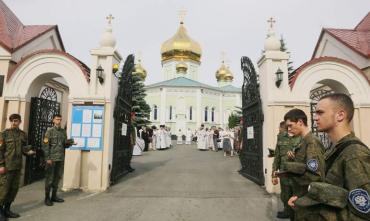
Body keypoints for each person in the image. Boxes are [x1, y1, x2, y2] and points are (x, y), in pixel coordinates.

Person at [289, 93, 370, 221]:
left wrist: (312, 212)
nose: (315, 118)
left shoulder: (354, 154)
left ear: (340, 115)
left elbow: (362, 215)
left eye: (320, 113)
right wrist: (304, 203)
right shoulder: (335, 149)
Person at [281, 109, 325, 220]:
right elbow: (305, 166)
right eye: (287, 127)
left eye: (290, 125)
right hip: (300, 195)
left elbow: (315, 176)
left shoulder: (312, 142)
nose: (289, 129)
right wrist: (293, 160)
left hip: (307, 199)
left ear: (300, 122)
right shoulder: (303, 142)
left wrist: (290, 170)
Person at [0, 114, 35, 219]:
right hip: (7, 167)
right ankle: (0, 212)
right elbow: (0, 151)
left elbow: (24, 149)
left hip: (18, 166)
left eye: (16, 121)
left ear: (20, 122)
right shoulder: (4, 134)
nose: (14, 123)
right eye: (12, 121)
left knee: (14, 189)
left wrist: (29, 152)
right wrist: (1, 165)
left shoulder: (23, 134)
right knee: (3, 190)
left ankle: (7, 209)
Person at [42, 114, 74, 206]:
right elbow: (45, 146)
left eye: (60, 119)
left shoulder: (63, 132)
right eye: (57, 119)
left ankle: (54, 196)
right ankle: (47, 198)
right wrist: (47, 158)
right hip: (51, 159)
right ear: (53, 120)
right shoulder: (49, 131)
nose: (59, 121)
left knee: (57, 178)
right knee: (49, 179)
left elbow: (64, 145)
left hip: (60, 158)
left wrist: (69, 143)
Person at [271, 121, 301, 219]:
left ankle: (296, 214)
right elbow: (277, 157)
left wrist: (295, 157)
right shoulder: (281, 137)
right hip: (283, 173)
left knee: (297, 195)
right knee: (285, 195)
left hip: (296, 174)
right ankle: (287, 211)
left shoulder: (301, 137)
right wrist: (274, 174)